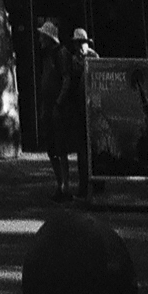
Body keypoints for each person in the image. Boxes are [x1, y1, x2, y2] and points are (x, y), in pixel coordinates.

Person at [34, 20, 71, 199]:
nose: (40, 39)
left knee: (60, 147)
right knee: (51, 147)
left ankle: (65, 186)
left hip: (57, 107)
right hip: (49, 105)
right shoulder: (47, 55)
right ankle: (59, 183)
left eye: (42, 36)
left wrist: (59, 102)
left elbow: (66, 79)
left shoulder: (59, 54)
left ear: (49, 37)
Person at [63, 27, 93, 200]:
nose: (79, 46)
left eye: (82, 43)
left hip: (93, 108)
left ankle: (96, 184)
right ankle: (84, 186)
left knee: (94, 148)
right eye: (77, 43)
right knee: (82, 150)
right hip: (79, 108)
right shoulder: (73, 60)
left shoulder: (94, 58)